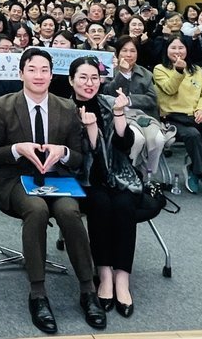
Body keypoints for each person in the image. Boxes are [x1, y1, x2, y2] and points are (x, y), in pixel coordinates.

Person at [0, 48, 106, 333]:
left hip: (57, 178)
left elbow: (78, 157)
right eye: (32, 70)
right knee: (36, 209)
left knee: (69, 212)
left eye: (44, 70)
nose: (38, 76)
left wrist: (63, 152)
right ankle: (38, 293)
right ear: (20, 74)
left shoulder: (66, 107)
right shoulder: (4, 105)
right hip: (17, 179)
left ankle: (88, 289)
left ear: (52, 75)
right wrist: (17, 149)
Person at [70, 57, 138, 319]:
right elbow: (82, 156)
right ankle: (104, 273)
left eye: (94, 78)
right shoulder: (64, 108)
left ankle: (122, 277)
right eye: (83, 77)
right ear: (71, 80)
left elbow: (124, 145)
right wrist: (90, 128)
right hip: (82, 178)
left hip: (116, 174)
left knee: (124, 203)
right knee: (100, 203)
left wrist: (119, 113)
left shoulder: (109, 103)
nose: (89, 83)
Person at [153, 37, 202, 196]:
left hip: (196, 115)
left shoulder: (196, 70)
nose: (177, 51)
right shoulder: (159, 69)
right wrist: (178, 71)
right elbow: (169, 89)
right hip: (173, 116)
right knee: (192, 135)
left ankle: (194, 170)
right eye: (173, 48)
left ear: (187, 50)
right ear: (166, 50)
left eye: (181, 47)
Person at [104, 36, 165, 179]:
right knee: (136, 139)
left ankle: (148, 174)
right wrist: (122, 74)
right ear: (117, 53)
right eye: (124, 51)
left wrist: (130, 100)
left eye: (132, 51)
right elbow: (107, 93)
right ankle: (129, 172)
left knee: (159, 139)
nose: (128, 55)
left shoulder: (146, 74)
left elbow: (152, 99)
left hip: (143, 116)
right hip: (119, 117)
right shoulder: (109, 71)